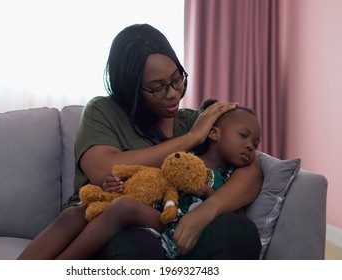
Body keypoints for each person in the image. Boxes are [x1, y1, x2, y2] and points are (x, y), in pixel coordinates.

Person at [17, 23, 262, 260]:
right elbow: (104, 169)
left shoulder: (199, 122)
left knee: (241, 232)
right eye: (158, 88)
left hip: (174, 224)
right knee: (140, 246)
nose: (174, 93)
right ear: (130, 88)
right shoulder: (103, 111)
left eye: (178, 79)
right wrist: (190, 139)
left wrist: (206, 212)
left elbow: (251, 168)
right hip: (110, 225)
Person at [41, 99, 262, 260]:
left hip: (176, 227)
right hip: (159, 217)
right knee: (85, 212)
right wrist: (117, 185)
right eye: (244, 136)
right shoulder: (185, 157)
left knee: (124, 208)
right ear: (213, 134)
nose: (251, 145)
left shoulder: (231, 176)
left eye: (256, 142)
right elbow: (151, 179)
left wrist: (206, 195)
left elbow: (235, 218)